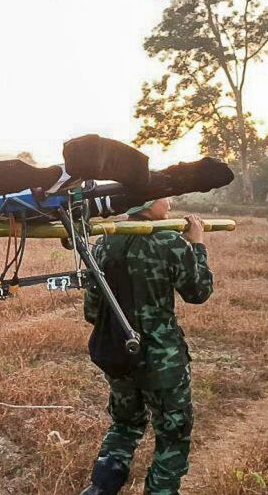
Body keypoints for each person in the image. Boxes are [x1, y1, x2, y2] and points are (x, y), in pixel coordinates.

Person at [80, 198, 214, 495]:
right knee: (173, 433)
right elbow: (198, 292)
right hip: (163, 362)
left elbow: (92, 311)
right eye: (164, 196)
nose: (170, 203)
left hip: (118, 356)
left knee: (124, 426)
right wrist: (197, 246)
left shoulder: (103, 243)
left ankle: (100, 489)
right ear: (148, 202)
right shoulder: (169, 242)